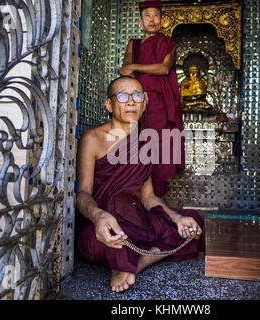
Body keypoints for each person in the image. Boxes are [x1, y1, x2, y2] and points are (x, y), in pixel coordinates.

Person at [76, 76, 204, 293]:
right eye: (123, 96)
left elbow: (148, 197)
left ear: (145, 102)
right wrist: (99, 216)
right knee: (102, 240)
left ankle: (135, 264)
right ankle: (132, 258)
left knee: (192, 223)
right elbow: (82, 193)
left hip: (138, 221)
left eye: (137, 96)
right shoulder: (93, 138)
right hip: (107, 222)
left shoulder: (145, 141)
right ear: (109, 104)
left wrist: (177, 218)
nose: (131, 102)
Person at [120, 0, 184, 197]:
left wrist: (135, 67)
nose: (152, 20)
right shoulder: (134, 44)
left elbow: (163, 69)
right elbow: (125, 70)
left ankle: (156, 199)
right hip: (137, 102)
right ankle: (136, 199)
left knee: (159, 148)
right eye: (147, 16)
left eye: (156, 16)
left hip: (160, 104)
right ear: (140, 22)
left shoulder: (168, 43)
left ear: (162, 21)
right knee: (136, 147)